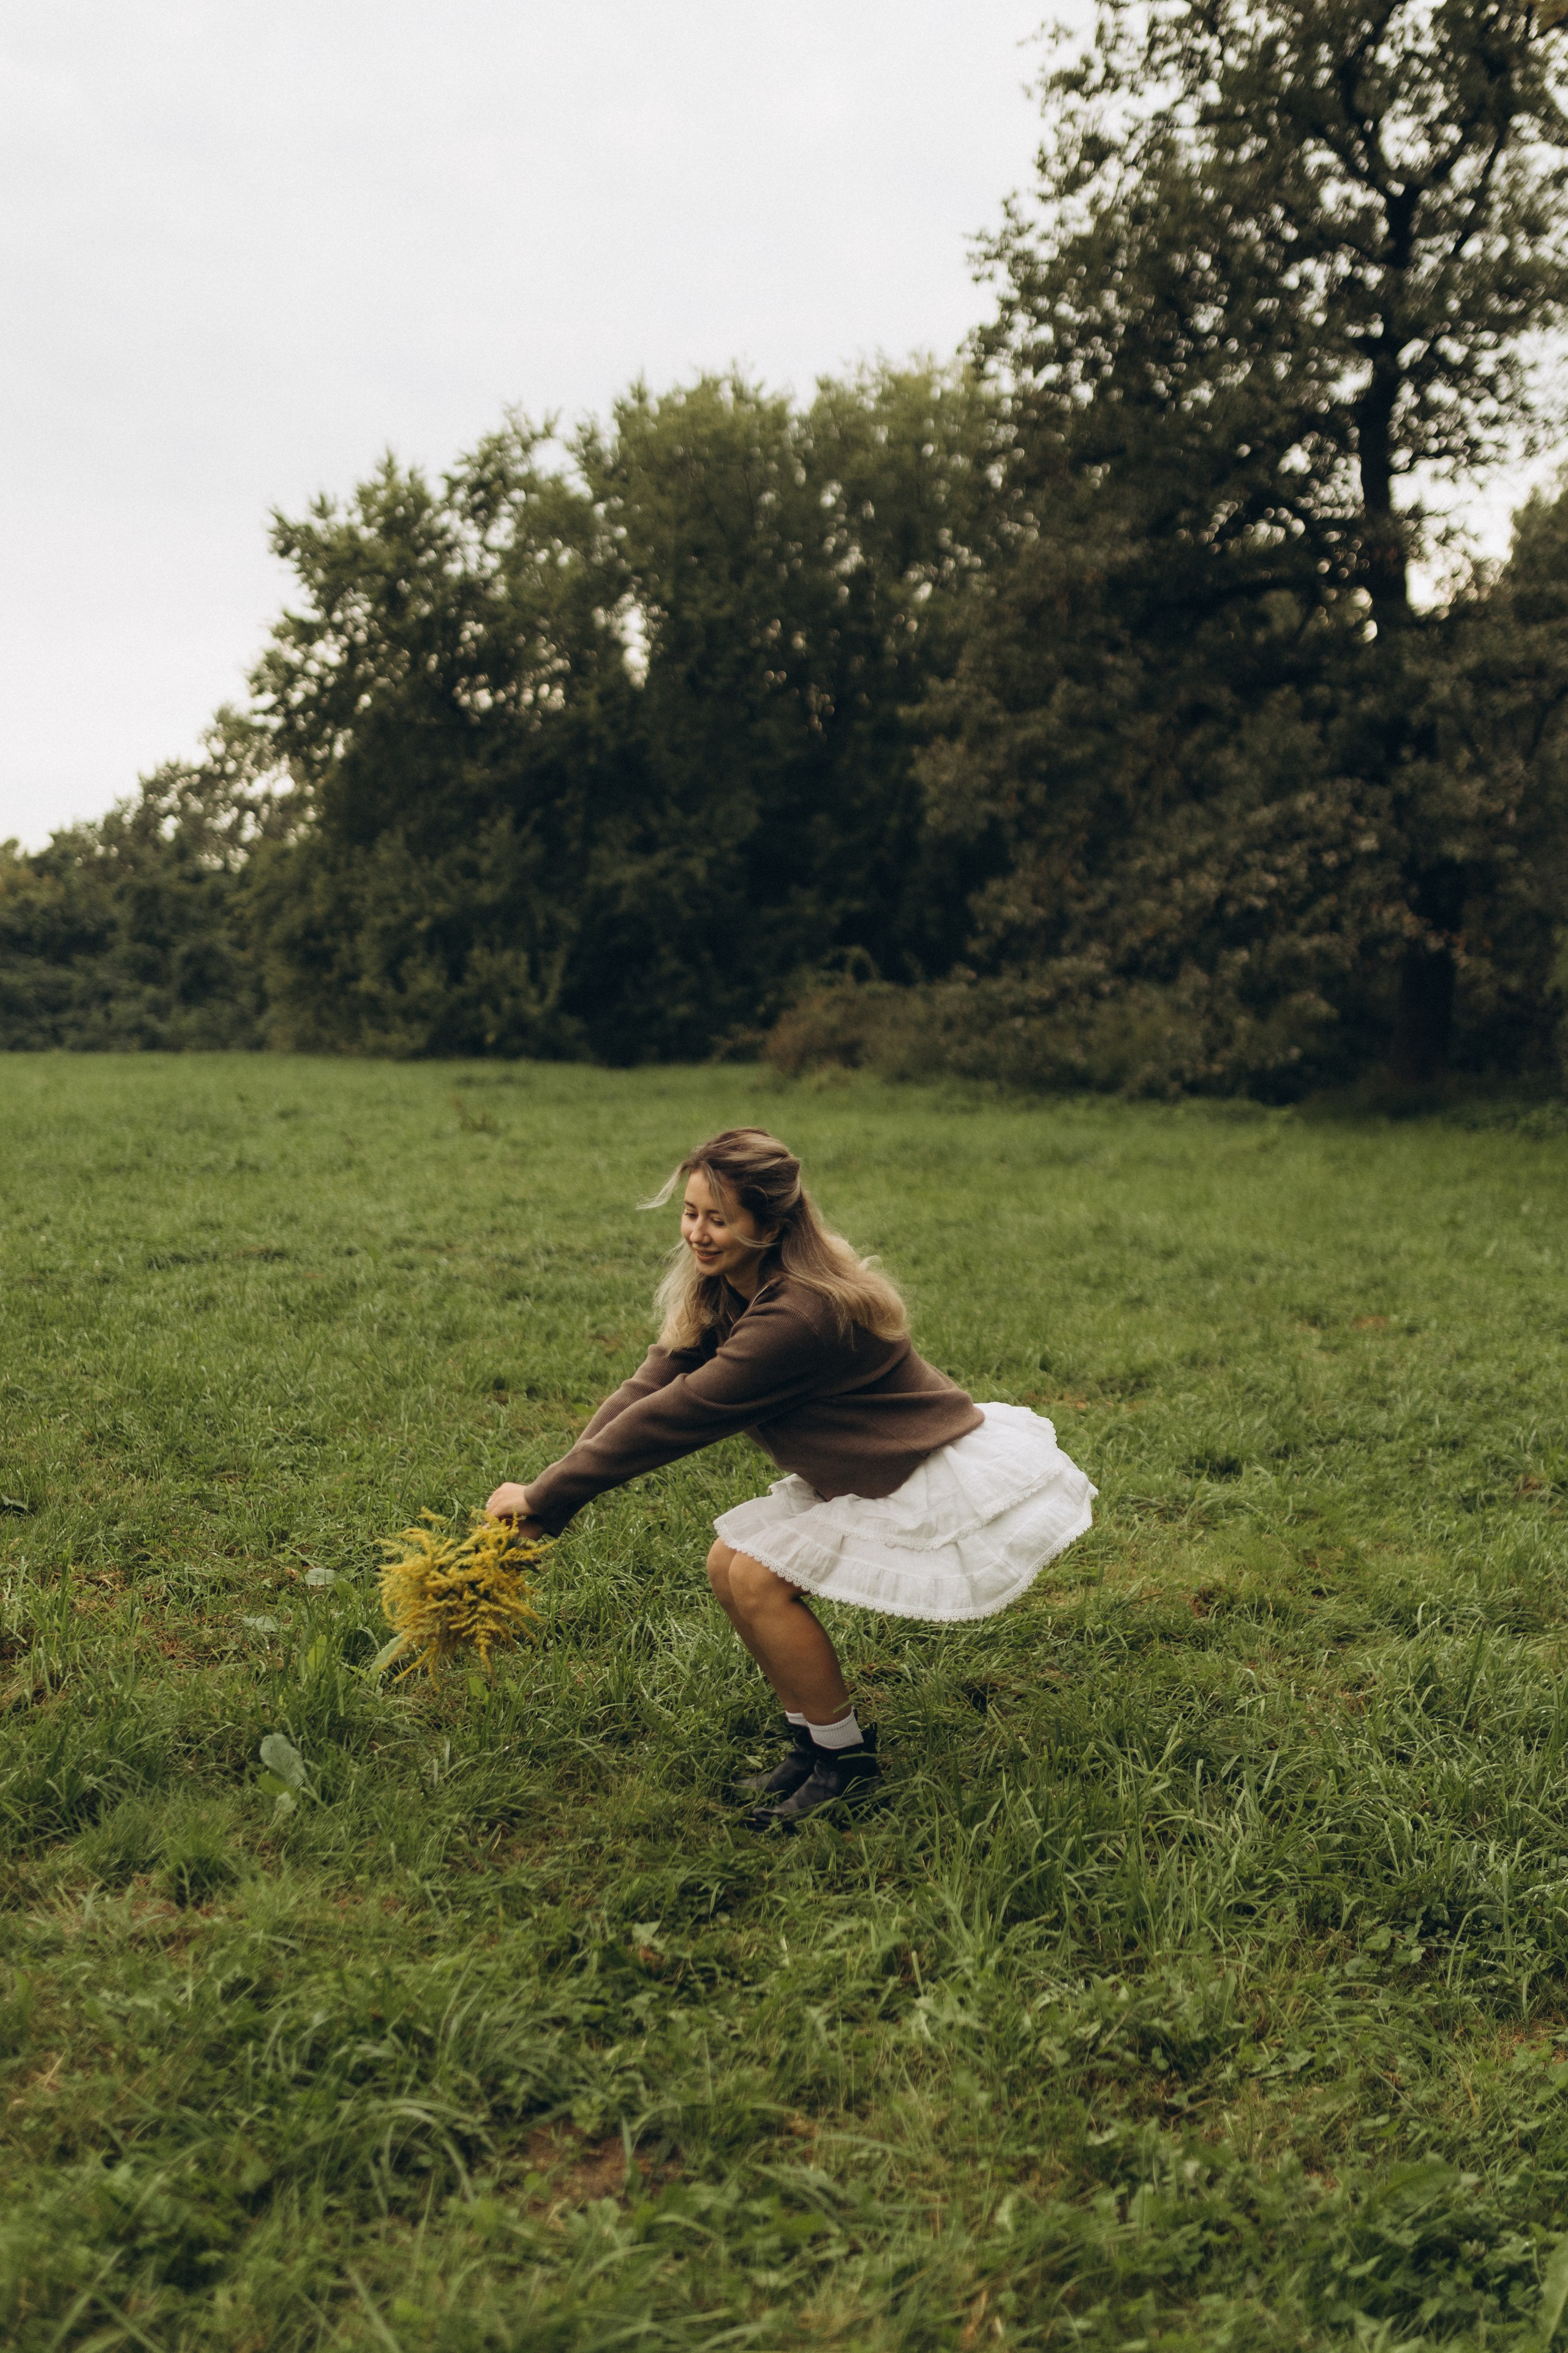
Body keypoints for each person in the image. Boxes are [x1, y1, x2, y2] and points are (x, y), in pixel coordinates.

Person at [486, 1127, 1096, 1825]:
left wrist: (543, 1496)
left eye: (720, 1220)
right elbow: (644, 1392)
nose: (699, 1233)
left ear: (770, 1226)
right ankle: (810, 1745)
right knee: (728, 1565)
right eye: (691, 1213)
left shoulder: (796, 1313)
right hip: (853, 1465)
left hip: (910, 1467)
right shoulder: (724, 1288)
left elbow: (678, 1417)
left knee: (756, 1576)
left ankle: (847, 1766)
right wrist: (546, 1503)